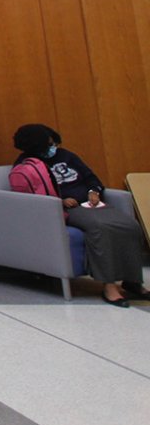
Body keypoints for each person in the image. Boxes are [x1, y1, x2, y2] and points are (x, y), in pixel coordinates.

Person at [10, 123, 147, 306]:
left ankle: (133, 281)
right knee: (101, 228)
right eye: (48, 144)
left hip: (92, 203)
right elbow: (35, 197)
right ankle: (110, 286)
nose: (53, 148)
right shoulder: (28, 165)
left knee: (130, 225)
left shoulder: (67, 156)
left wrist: (94, 192)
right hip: (68, 209)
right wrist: (61, 200)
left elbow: (91, 177)